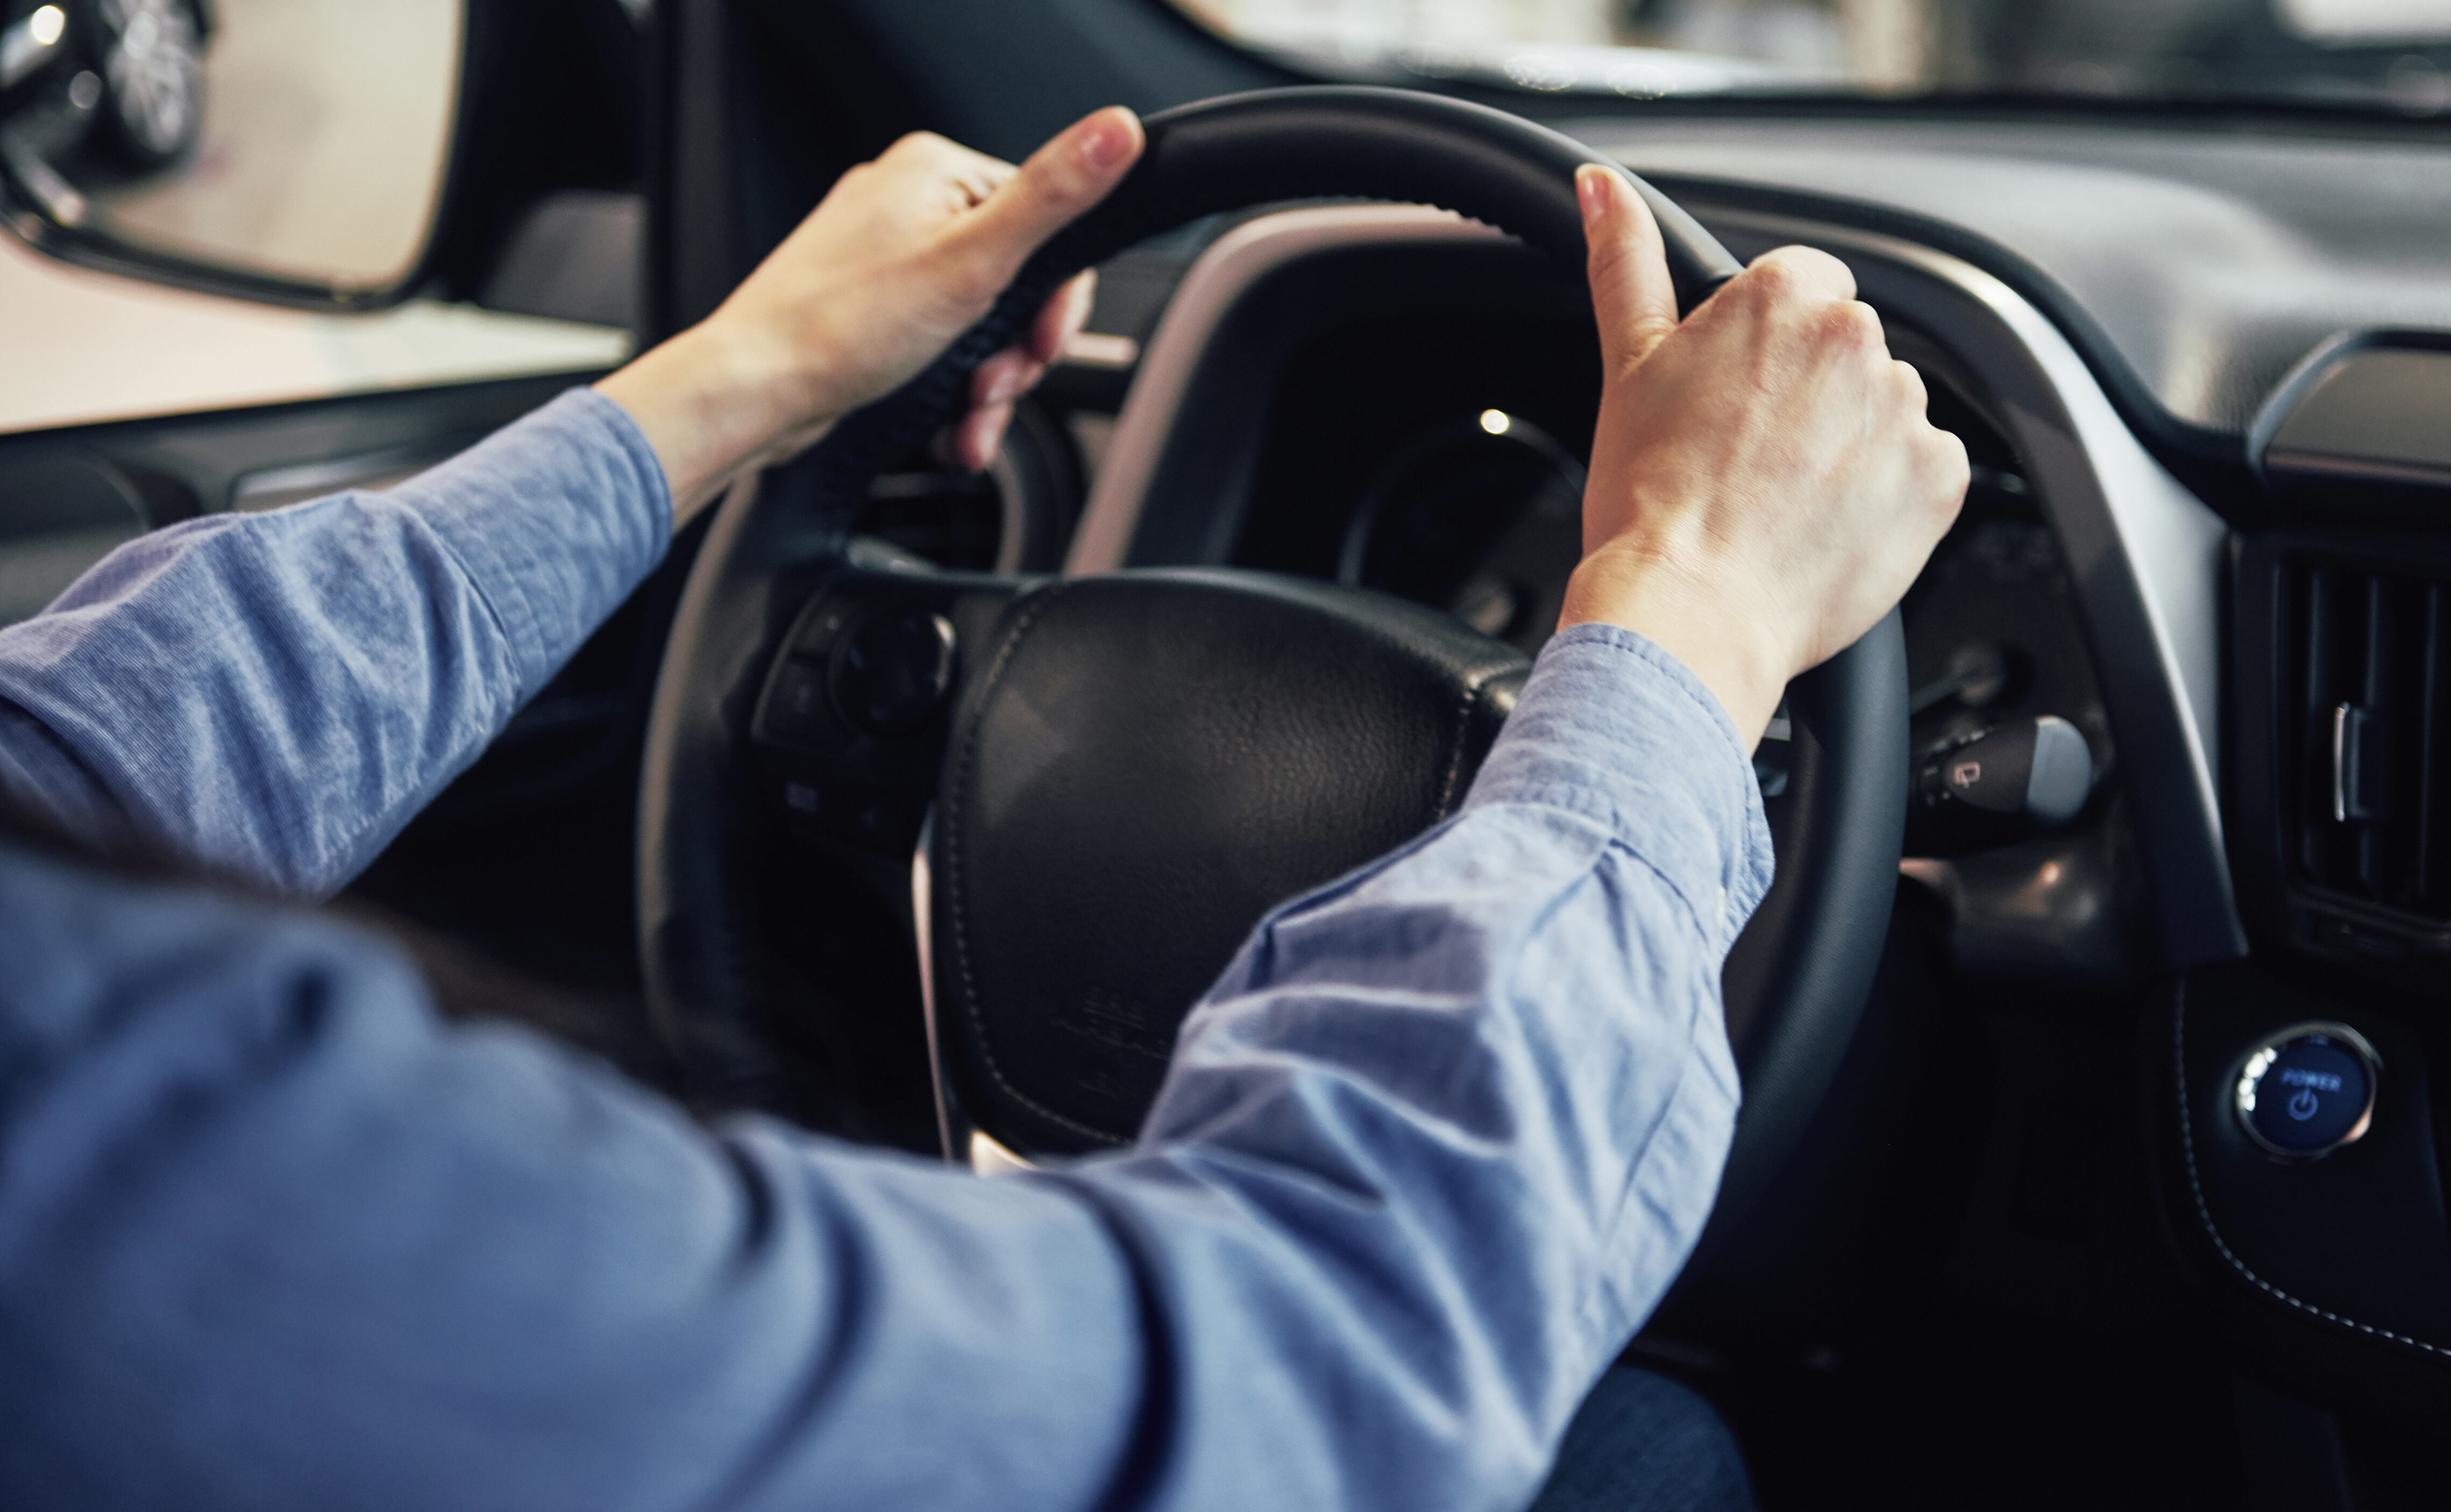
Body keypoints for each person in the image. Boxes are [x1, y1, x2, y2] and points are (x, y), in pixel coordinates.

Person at [0, 104, 1964, 1510]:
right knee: (1644, 1460)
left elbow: (79, 760)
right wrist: (1686, 611)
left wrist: (744, 381)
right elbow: (1305, 1375)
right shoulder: (133, 1179)